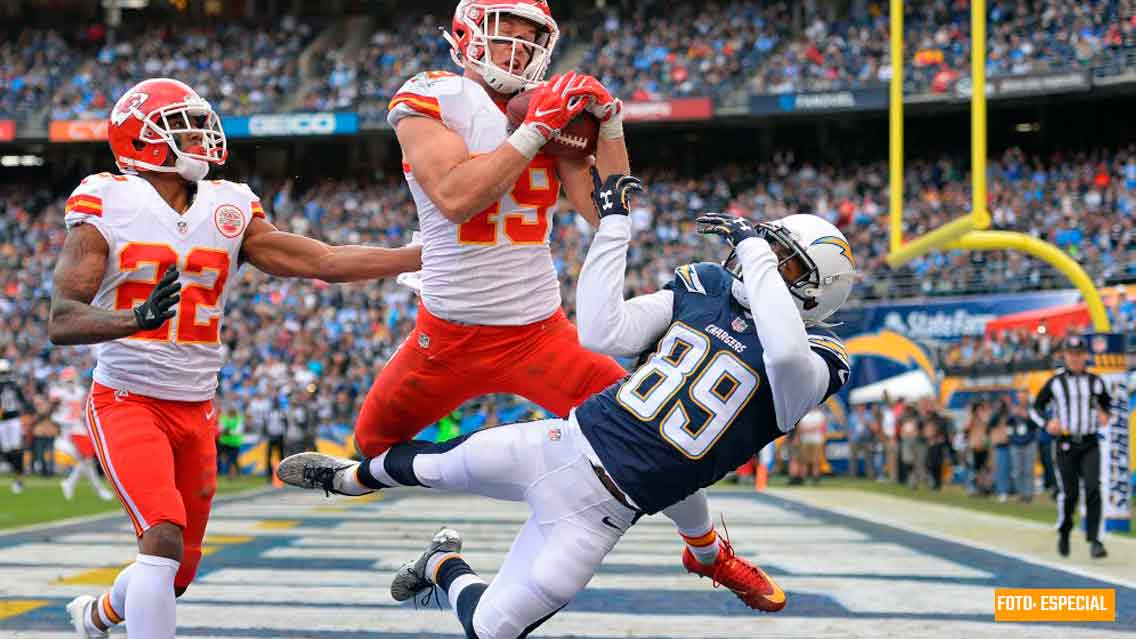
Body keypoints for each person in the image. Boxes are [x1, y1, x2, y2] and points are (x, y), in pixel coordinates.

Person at [279, 174, 857, 638]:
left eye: (785, 263)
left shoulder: (820, 358)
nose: (759, 261)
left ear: (816, 291)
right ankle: (348, 479)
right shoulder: (703, 286)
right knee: (425, 466)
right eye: (769, 250)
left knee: (491, 629)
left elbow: (781, 354)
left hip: (604, 516)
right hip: (564, 443)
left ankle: (439, 566)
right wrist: (613, 227)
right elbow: (603, 333)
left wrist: (755, 251)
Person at [50, 78, 421, 639]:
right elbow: (63, 318)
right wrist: (134, 319)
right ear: (142, 140)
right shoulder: (108, 200)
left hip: (197, 407)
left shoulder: (229, 204)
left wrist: (417, 254)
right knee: (162, 537)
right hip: (127, 399)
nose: (201, 134)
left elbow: (320, 258)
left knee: (175, 575)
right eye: (183, 126)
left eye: (200, 122)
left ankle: (97, 616)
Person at [365, 0, 727, 570]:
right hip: (448, 334)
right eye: (505, 34)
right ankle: (448, 516)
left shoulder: (548, 110)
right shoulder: (431, 97)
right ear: (467, 35)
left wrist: (608, 126)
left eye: (530, 38)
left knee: (652, 431)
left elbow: (600, 208)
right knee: (372, 447)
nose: (519, 48)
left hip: (538, 334)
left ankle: (709, 552)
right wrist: (535, 131)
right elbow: (457, 198)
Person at [1031, 335, 1111, 559]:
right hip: (1066, 443)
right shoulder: (1055, 382)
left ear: (1085, 356)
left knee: (1094, 488)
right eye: (1071, 354)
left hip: (1090, 441)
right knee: (1071, 494)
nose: (1075, 358)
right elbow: (1035, 408)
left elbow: (1107, 404)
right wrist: (1048, 422)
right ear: (1064, 356)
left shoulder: (1096, 381)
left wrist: (1105, 415)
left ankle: (1095, 540)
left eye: (1079, 354)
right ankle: (1065, 530)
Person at [53, 367, 113, 502]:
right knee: (86, 459)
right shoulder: (59, 392)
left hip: (78, 427)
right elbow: (55, 406)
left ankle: (70, 484)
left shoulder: (79, 391)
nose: (71, 382)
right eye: (68, 380)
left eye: (72, 380)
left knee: (86, 460)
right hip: (68, 428)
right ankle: (94, 488)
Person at [0, 358, 30, 494]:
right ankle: (18, 474)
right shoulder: (13, 384)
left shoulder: (13, 385)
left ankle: (18, 477)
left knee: (16, 450)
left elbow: (22, 401)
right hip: (3, 421)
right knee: (7, 450)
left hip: (13, 420)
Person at [1008, 391, 1037, 503]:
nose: (1021, 399)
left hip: (1029, 441)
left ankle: (1029, 494)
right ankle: (1020, 494)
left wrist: (1027, 417)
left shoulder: (1032, 408)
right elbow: (1008, 423)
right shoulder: (1014, 408)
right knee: (1017, 470)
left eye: (1023, 396)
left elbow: (1037, 423)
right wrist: (1014, 414)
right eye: (1019, 397)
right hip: (1016, 442)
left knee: (1028, 469)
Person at [797, 407, 826, 483]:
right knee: (804, 461)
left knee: (816, 461)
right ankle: (803, 478)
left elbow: (821, 426)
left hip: (817, 441)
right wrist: (812, 428)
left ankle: (816, 478)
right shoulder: (803, 414)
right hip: (805, 441)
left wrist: (808, 429)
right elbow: (800, 428)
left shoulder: (820, 415)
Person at [217, 402, 244, 478]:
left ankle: (236, 473)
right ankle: (230, 474)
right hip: (225, 442)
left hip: (235, 442)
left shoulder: (238, 419)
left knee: (234, 458)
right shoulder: (224, 418)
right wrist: (229, 431)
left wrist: (227, 431)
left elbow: (238, 431)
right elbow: (220, 428)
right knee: (227, 458)